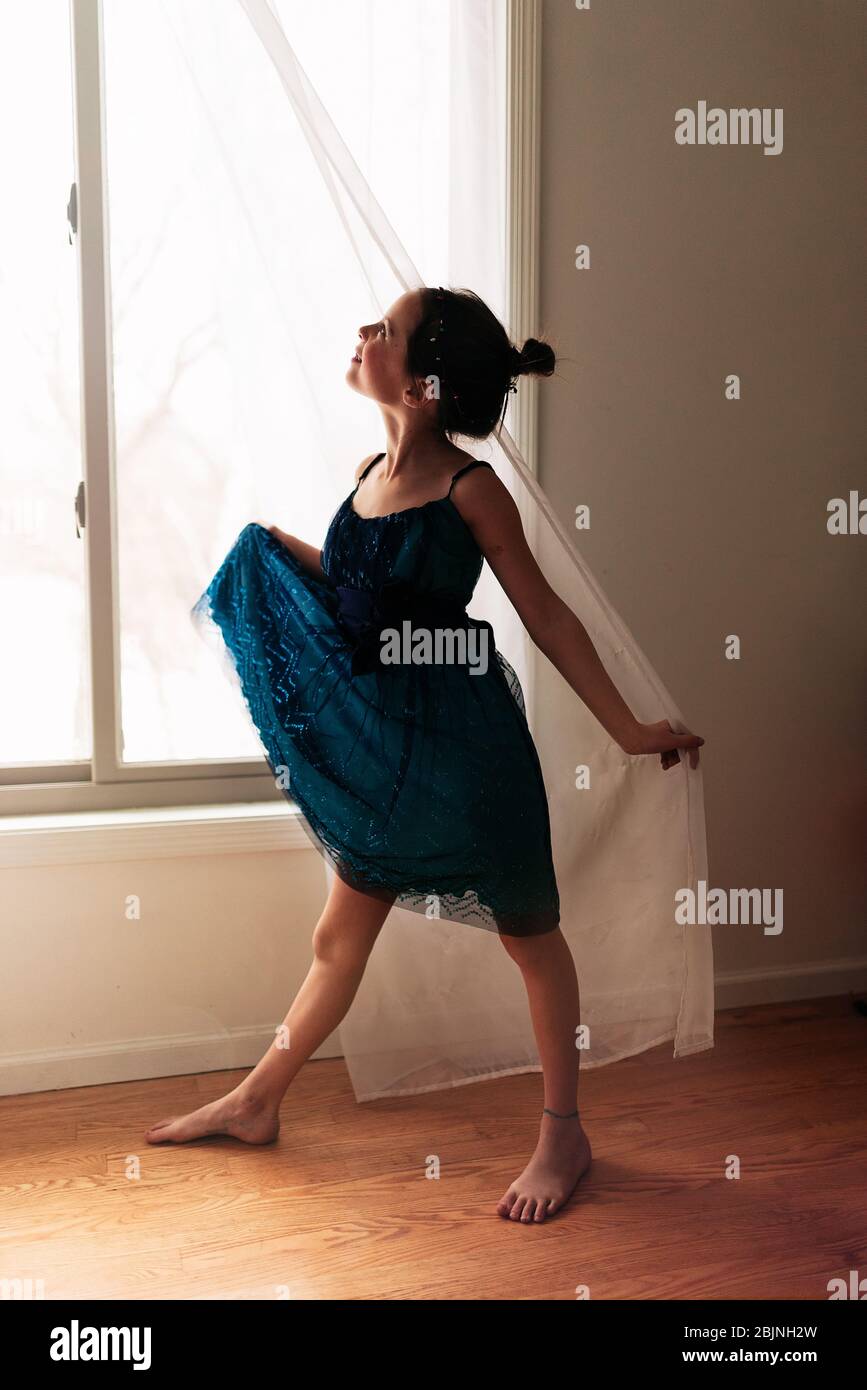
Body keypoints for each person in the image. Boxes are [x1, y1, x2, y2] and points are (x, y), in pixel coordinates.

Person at [146, 286, 704, 1224]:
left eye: (388, 332)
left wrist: (628, 729)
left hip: (465, 752)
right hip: (389, 755)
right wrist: (281, 553)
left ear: (426, 385)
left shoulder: (469, 488)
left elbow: (546, 616)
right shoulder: (369, 469)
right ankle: (257, 1100)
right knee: (338, 935)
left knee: (530, 938)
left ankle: (563, 1130)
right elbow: (369, 595)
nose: (365, 334)